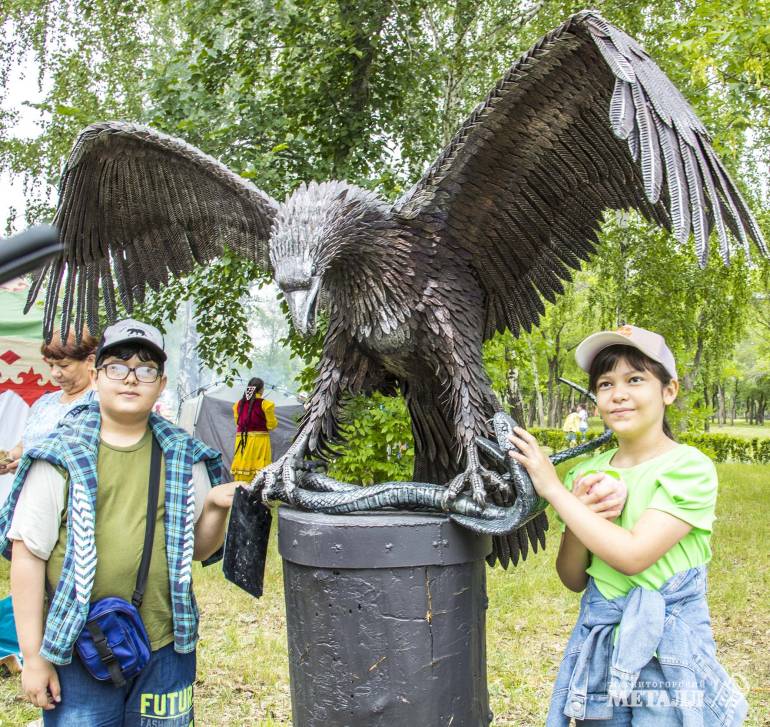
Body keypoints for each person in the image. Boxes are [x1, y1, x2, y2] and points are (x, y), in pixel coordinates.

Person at [0, 318, 238, 725]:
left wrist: (215, 507)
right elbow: (28, 557)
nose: (131, 379)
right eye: (117, 367)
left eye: (146, 369)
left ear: (160, 384)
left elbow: (197, 549)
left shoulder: (184, 456)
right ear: (96, 376)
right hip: (79, 644)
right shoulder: (60, 456)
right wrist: (34, 656)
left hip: (165, 643)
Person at [507, 325, 747, 725]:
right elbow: (572, 577)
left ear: (668, 390)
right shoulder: (587, 474)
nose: (617, 393)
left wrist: (554, 491)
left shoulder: (688, 467)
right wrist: (581, 511)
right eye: (605, 383)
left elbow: (634, 556)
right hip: (600, 641)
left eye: (635, 379)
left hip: (666, 647)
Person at [0, 332, 98, 477]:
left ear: (90, 361)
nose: (55, 373)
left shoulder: (98, 402)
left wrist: (33, 465)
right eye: (51, 365)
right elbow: (24, 445)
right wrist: (8, 458)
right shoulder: (46, 402)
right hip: (31, 493)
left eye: (63, 366)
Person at [231, 377, 278, 482]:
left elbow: (237, 422)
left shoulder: (238, 405)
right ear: (261, 389)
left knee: (243, 465)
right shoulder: (266, 404)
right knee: (259, 468)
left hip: (242, 440)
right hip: (259, 441)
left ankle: (241, 490)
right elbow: (271, 425)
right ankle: (257, 491)